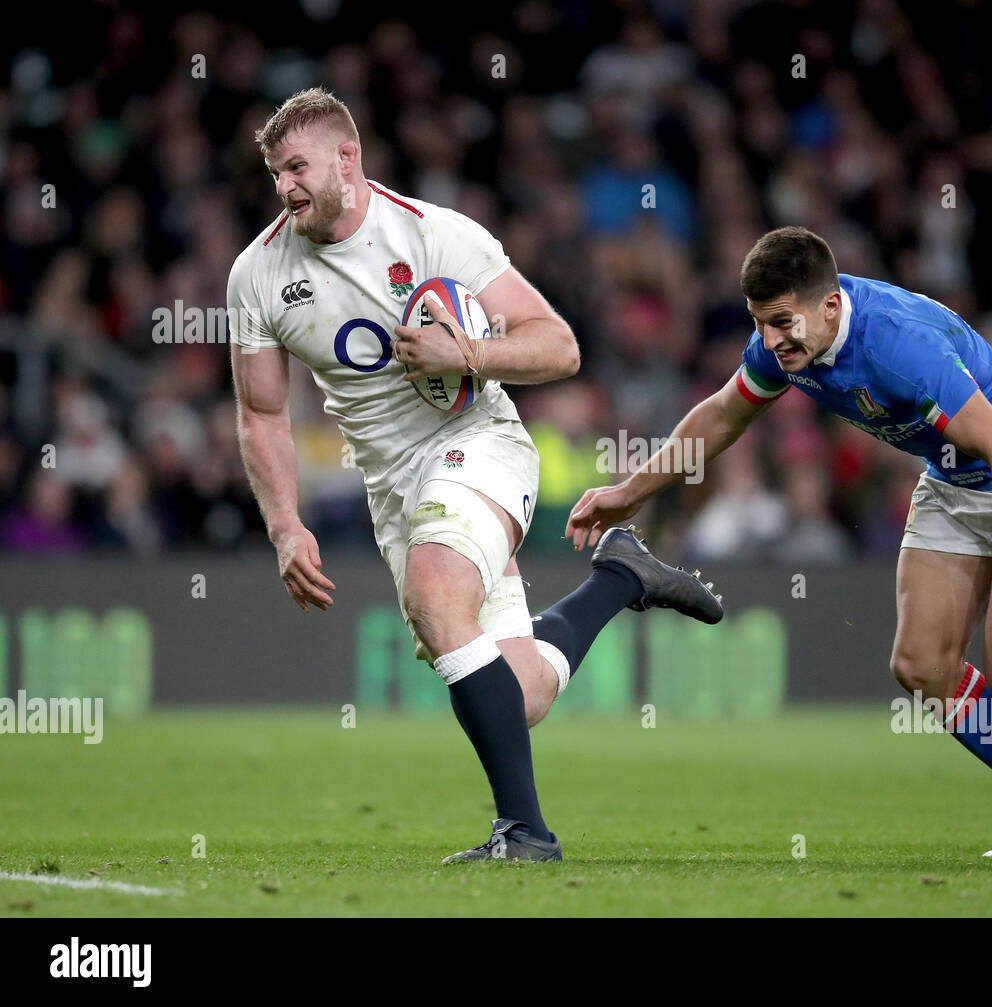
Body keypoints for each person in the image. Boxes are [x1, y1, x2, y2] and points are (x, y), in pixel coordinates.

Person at [566, 225, 992, 856]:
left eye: (783, 323)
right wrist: (631, 491)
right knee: (922, 666)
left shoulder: (900, 346)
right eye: (760, 321)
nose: (770, 340)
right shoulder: (785, 342)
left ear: (830, 304)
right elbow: (722, 415)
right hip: (955, 481)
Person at [228, 88, 721, 864]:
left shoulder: (434, 234)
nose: (284, 188)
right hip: (393, 486)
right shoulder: (256, 274)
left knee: (435, 592)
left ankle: (524, 833)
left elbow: (559, 346)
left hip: (478, 441)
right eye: (274, 173)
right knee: (516, 693)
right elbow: (261, 415)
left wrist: (471, 355)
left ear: (346, 160)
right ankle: (621, 578)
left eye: (296, 167)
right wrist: (286, 525)